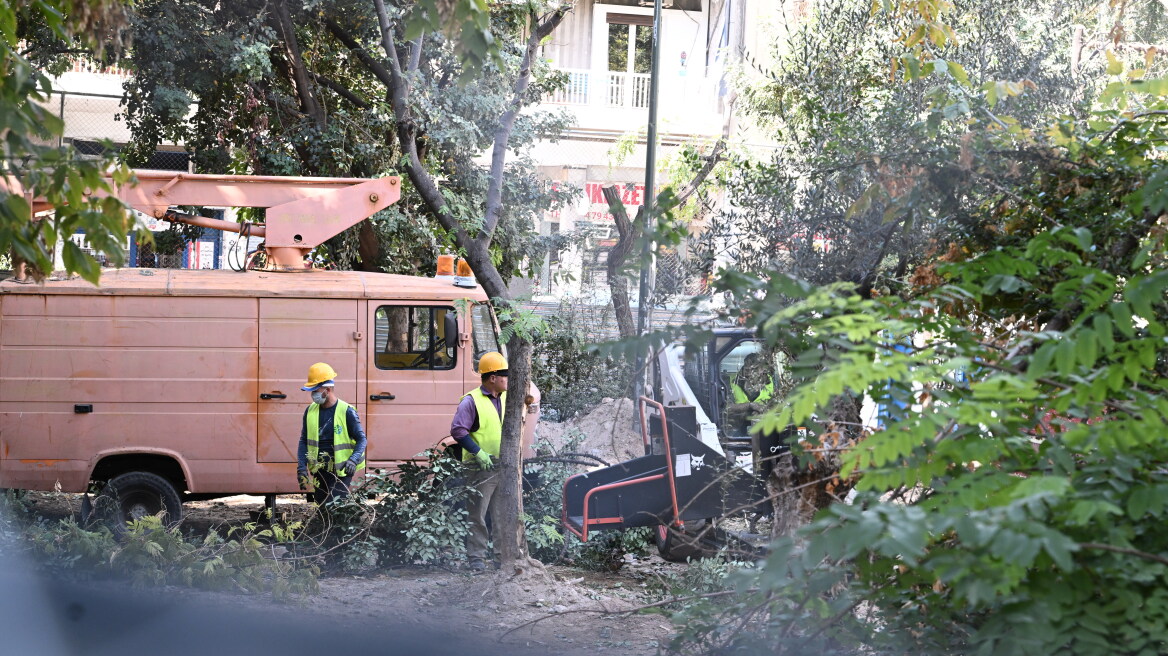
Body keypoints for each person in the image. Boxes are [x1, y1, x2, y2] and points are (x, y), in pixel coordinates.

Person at [449, 351, 509, 573]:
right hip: (480, 468)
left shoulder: (506, 397)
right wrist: (478, 453)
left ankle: (502, 558)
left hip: (504, 467)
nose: (508, 379)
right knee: (477, 515)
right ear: (492, 377)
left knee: (503, 514)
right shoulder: (471, 401)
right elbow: (458, 430)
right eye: (505, 375)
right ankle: (476, 559)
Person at [296, 362, 367, 505]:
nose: (313, 394)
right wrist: (301, 468)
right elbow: (304, 441)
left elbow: (362, 439)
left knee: (335, 507)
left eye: (315, 390)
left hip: (342, 470)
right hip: (319, 470)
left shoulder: (346, 411)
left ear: (327, 389)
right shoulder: (310, 411)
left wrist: (353, 460)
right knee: (322, 507)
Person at [726, 352, 775, 436]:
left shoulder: (772, 381)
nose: (749, 372)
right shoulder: (732, 381)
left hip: (765, 427)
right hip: (737, 429)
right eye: (747, 368)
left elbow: (778, 404)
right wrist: (749, 406)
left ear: (762, 369)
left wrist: (760, 412)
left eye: (755, 369)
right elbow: (726, 408)